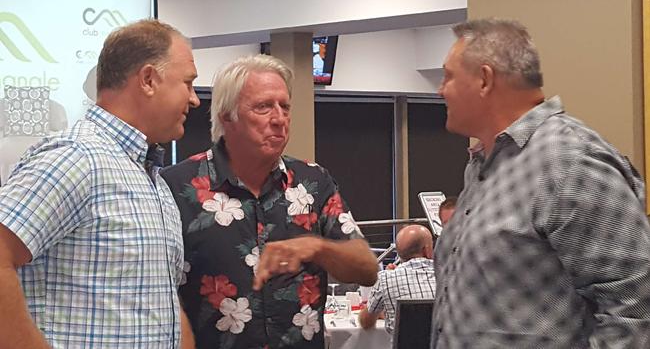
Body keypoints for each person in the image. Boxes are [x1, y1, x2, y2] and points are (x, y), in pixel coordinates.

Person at [432, 18, 650, 348]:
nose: (440, 89)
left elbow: (635, 311)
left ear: (484, 80)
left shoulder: (569, 160)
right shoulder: (483, 166)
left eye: (448, 76)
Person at [0, 19, 200, 348]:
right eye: (188, 83)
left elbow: (159, 298)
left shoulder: (151, 179)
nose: (194, 99)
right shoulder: (77, 159)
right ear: (148, 80)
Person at [160, 54, 378, 348]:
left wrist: (317, 247)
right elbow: (161, 294)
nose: (279, 119)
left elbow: (366, 268)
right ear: (227, 116)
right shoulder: (176, 186)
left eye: (284, 107)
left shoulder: (313, 181)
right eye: (263, 107)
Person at [358, 224, 436, 334]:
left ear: (399, 253)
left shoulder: (386, 279)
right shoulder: (449, 274)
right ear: (427, 250)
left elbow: (366, 322)